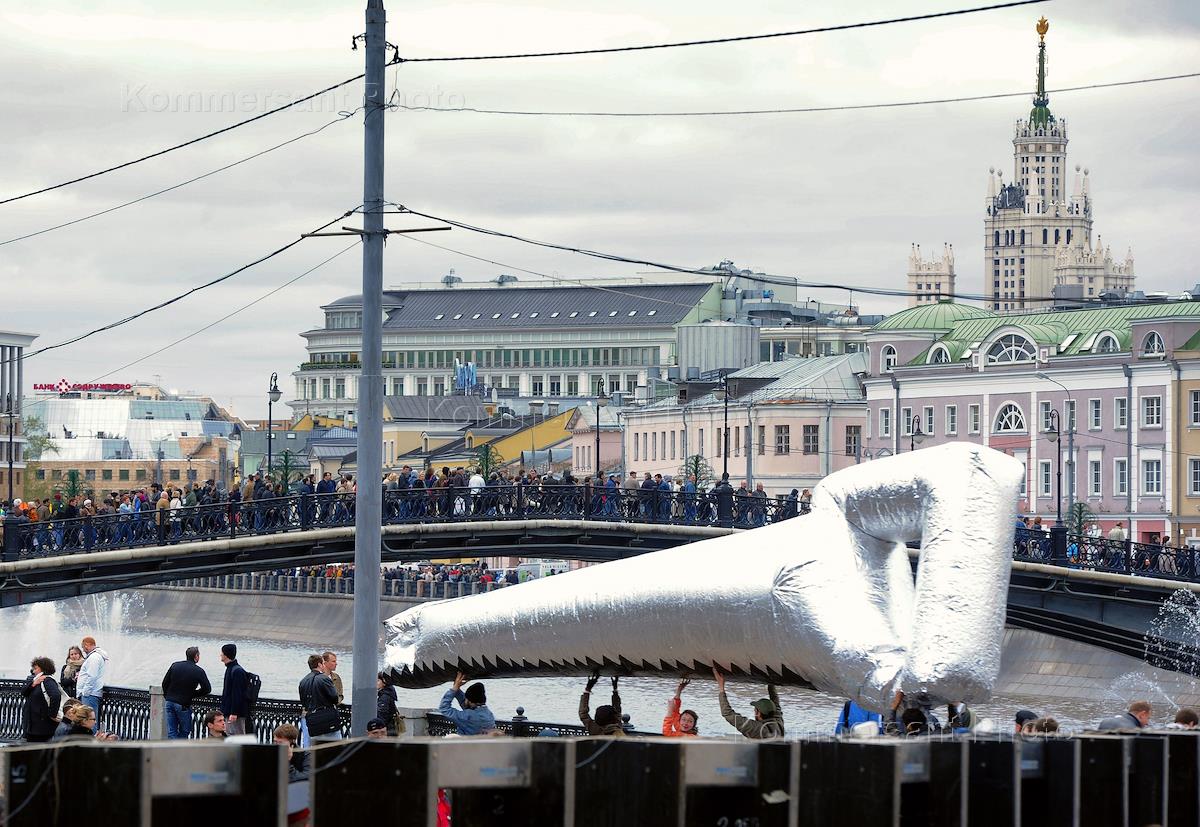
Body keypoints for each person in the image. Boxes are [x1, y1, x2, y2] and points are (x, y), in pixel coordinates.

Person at [712, 666, 784, 739]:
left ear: (758, 713)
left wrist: (721, 686)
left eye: (755, 709)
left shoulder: (755, 729)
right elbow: (775, 702)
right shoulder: (778, 724)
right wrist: (770, 683)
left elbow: (727, 713)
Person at [161, 646, 212, 739]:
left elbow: (164, 683)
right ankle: (179, 750)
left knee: (171, 731)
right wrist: (193, 694)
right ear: (196, 656)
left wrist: (167, 696)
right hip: (183, 705)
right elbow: (207, 689)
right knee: (185, 730)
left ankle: (172, 750)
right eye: (198, 655)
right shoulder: (199, 671)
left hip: (169, 702)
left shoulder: (175, 665)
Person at [299, 652, 342, 742]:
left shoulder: (303, 681)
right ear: (319, 664)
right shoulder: (324, 678)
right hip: (327, 719)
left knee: (316, 750)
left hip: (312, 720)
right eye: (322, 663)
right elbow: (334, 698)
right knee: (335, 748)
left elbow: (304, 702)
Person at [439, 671, 495, 735]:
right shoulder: (489, 714)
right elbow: (466, 704)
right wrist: (457, 687)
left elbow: (444, 708)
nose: (464, 700)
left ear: (470, 701)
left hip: (467, 744)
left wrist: (454, 689)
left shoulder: (468, 716)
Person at [22, 656, 62, 743]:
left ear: (43, 668)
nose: (33, 671)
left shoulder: (47, 680)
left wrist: (52, 714)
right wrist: (33, 684)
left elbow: (56, 696)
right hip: (34, 725)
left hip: (42, 726)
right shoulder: (35, 680)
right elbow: (24, 692)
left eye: (36, 668)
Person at [77, 635, 109, 732]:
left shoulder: (94, 657)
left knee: (89, 721)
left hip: (90, 694)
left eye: (83, 647)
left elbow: (92, 676)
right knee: (89, 720)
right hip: (91, 693)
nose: (83, 650)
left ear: (87, 645)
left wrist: (85, 692)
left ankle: (91, 742)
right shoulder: (94, 656)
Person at [579, 671, 625, 737]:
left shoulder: (595, 730)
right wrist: (615, 689)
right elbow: (617, 710)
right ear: (613, 718)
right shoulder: (617, 727)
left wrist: (587, 689)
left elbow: (583, 714)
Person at [219, 643, 250, 736]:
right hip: (230, 711)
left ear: (226, 655)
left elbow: (238, 693)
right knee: (231, 736)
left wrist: (234, 712)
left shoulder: (237, 671)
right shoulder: (232, 668)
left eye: (221, 653)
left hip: (235, 714)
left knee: (237, 736)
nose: (220, 655)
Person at [377, 671, 401, 736]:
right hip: (391, 728)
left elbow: (382, 715)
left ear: (384, 682)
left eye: (378, 680)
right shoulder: (389, 693)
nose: (375, 683)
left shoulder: (385, 696)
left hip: (386, 730)